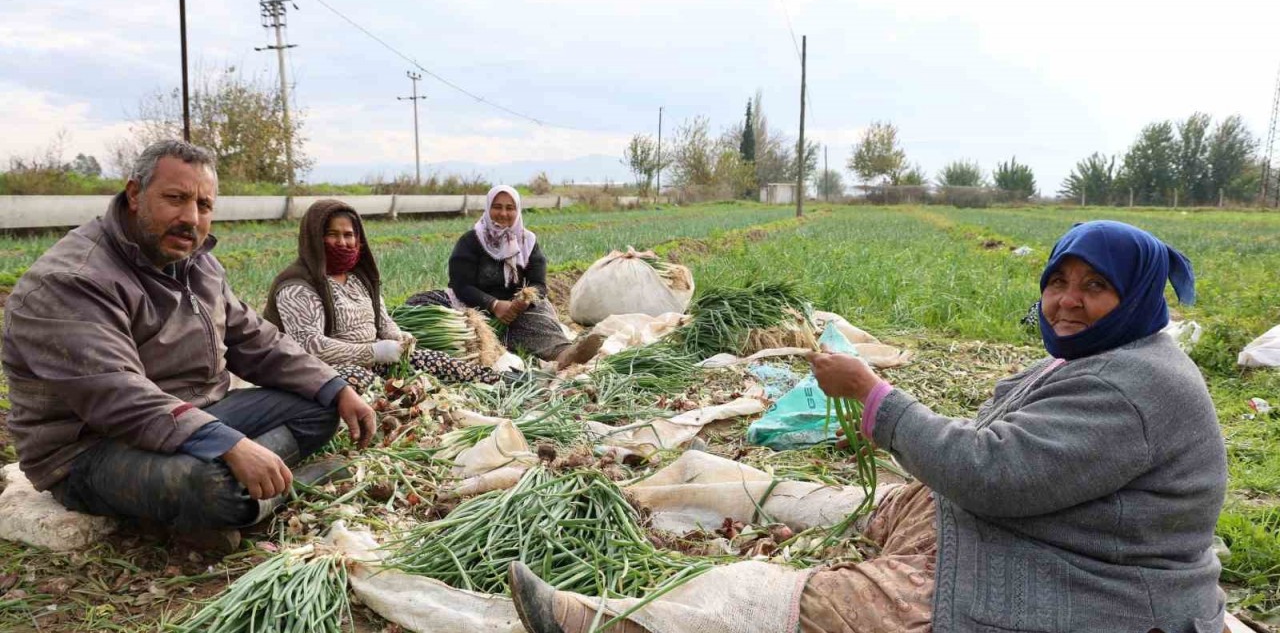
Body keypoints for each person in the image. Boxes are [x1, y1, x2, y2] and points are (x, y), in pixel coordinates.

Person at [508, 220, 1228, 633]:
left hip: (1097, 592)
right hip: (1058, 538)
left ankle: (608, 622)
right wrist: (882, 423)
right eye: (1058, 282)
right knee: (904, 502)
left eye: (1094, 287)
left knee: (823, 602)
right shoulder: (1107, 356)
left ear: (1134, 296)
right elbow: (1005, 452)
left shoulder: (1137, 387)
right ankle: (690, 507)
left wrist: (877, 398)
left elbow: (988, 473)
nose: (1066, 302)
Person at [2, 141, 376, 543]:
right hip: (91, 448)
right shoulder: (75, 279)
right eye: (175, 199)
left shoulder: (194, 261)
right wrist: (228, 445)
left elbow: (254, 337)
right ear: (134, 194)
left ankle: (244, 495)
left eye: (203, 205)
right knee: (213, 485)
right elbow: (116, 396)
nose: (191, 218)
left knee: (318, 406)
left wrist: (334, 387)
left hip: (194, 413)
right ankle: (265, 492)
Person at [262, 199, 500, 390]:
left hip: (372, 362)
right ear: (314, 238)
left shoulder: (359, 279)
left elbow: (382, 320)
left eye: (349, 235)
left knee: (431, 361)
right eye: (333, 235)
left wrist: (399, 338)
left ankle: (493, 380)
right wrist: (373, 351)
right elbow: (310, 345)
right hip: (316, 371)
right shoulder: (298, 285)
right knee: (362, 381)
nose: (343, 242)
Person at [408, 185, 603, 369]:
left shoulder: (527, 241)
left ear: (517, 211)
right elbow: (461, 284)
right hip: (472, 306)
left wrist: (523, 302)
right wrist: (493, 304)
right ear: (488, 208)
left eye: (510, 208)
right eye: (497, 207)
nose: (503, 213)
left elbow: (539, 284)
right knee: (419, 304)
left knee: (538, 316)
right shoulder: (471, 241)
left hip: (516, 310)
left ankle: (563, 354)